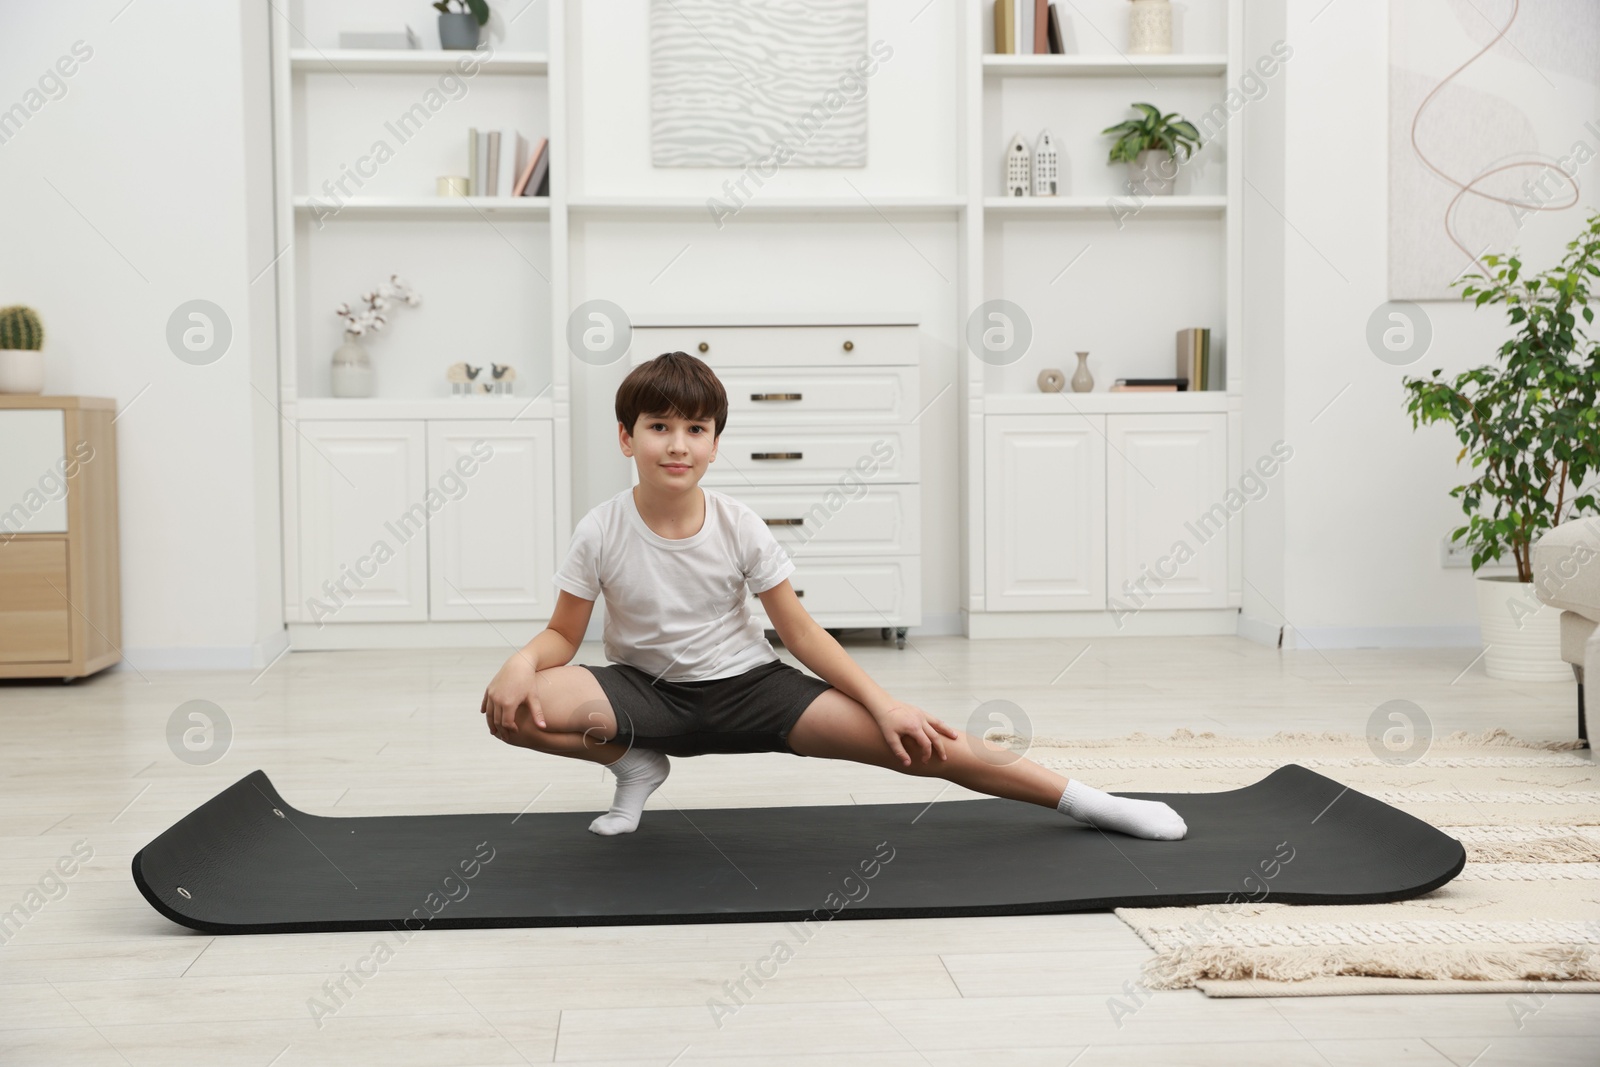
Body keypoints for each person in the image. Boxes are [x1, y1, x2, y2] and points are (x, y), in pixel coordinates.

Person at [480, 351, 1186, 841]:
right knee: (513, 708)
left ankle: (1091, 801)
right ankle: (634, 762)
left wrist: (885, 703)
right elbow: (563, 634)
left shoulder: (738, 525)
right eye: (660, 426)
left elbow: (804, 632)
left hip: (750, 689)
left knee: (917, 742)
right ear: (626, 437)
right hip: (644, 692)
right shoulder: (601, 527)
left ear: (715, 444)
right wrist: (521, 661)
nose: (678, 443)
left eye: (696, 429)